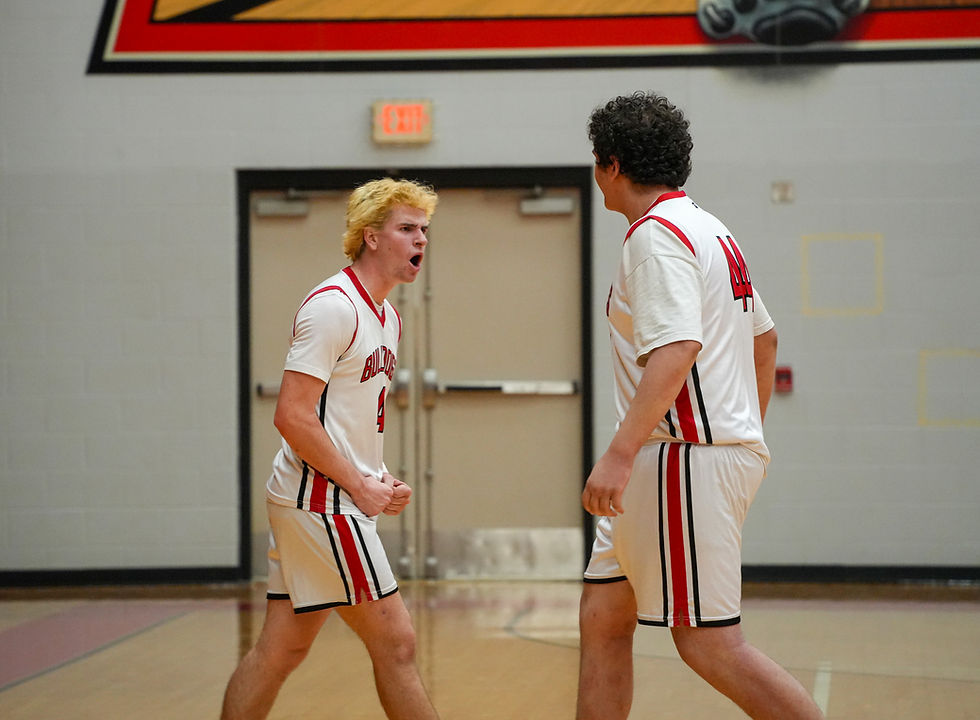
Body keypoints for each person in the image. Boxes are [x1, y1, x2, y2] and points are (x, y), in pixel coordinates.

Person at [577, 92, 824, 720]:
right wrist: (744, 433)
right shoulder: (711, 229)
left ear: (610, 164)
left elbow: (679, 346)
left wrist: (619, 453)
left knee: (710, 643)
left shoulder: (655, 236)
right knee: (605, 615)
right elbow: (764, 341)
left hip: (681, 458)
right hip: (686, 459)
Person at [221, 178, 441, 720]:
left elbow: (348, 418)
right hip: (320, 502)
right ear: (371, 237)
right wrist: (357, 483)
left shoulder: (387, 316)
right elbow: (292, 415)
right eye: (407, 229)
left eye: (425, 230)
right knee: (397, 643)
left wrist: (379, 476)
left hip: (324, 496)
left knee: (281, 649)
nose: (421, 240)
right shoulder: (332, 307)